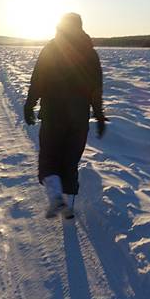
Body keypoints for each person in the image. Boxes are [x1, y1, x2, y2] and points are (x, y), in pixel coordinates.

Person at [23, 12, 106, 219]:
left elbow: (38, 80)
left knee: (50, 156)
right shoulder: (90, 53)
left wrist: (30, 104)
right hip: (78, 118)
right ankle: (67, 206)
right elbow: (96, 88)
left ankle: (56, 198)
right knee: (70, 161)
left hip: (53, 114)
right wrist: (99, 115)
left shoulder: (51, 49)